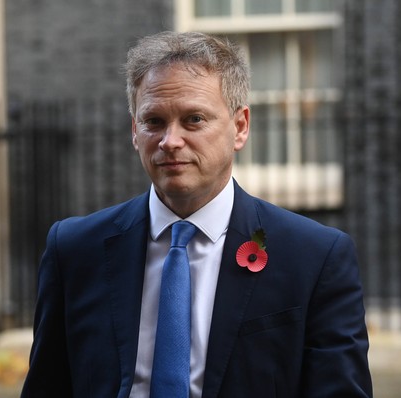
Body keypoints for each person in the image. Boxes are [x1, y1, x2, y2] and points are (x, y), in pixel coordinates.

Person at [21, 31, 373, 397]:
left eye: (194, 119)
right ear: (134, 131)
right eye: (154, 121)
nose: (170, 141)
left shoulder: (314, 257)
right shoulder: (75, 250)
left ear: (240, 127)